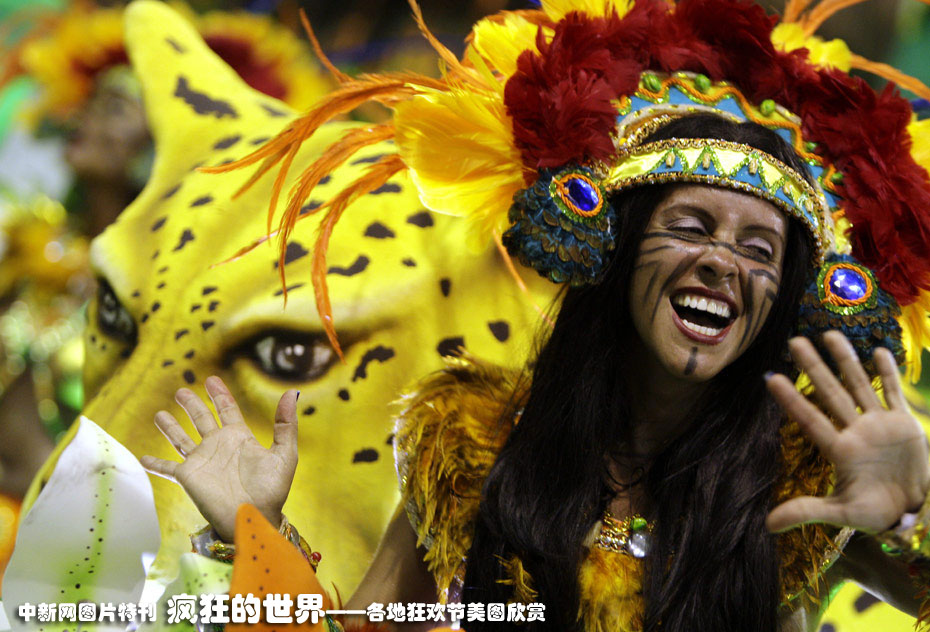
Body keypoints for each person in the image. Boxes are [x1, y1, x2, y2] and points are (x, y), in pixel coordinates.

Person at [141, 0, 930, 630]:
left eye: (760, 250)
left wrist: (913, 519)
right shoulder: (471, 446)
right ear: (617, 251)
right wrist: (252, 530)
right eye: (691, 227)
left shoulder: (804, 486)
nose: (724, 261)